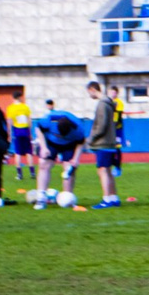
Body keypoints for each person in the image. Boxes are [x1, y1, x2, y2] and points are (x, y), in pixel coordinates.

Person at [34, 100, 85, 199]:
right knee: (44, 163)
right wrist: (43, 147)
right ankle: (41, 196)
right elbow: (38, 129)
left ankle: (67, 197)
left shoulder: (78, 127)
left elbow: (81, 142)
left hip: (69, 144)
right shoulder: (49, 119)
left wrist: (76, 158)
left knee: (69, 168)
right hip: (50, 142)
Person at [85, 80, 125, 208]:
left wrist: (91, 138)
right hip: (110, 142)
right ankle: (114, 198)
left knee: (102, 170)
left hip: (103, 143)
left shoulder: (102, 104)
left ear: (92, 89)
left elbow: (101, 126)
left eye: (88, 92)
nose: (89, 95)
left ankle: (106, 199)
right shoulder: (109, 103)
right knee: (107, 171)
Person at [5, 91, 35, 179]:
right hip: (25, 130)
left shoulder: (10, 108)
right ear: (19, 97)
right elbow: (29, 120)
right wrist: (30, 132)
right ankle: (32, 173)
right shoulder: (25, 107)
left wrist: (9, 133)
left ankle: (19, 174)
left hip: (17, 131)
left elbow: (9, 121)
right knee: (29, 152)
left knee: (17, 153)